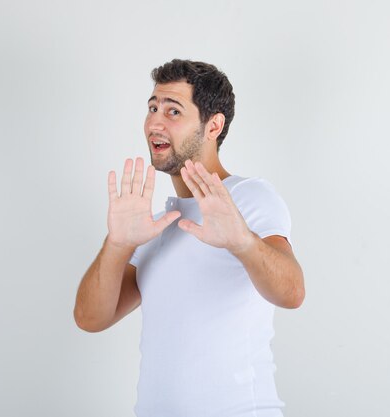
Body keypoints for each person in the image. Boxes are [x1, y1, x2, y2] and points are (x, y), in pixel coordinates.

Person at [74, 59, 305, 417]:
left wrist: (241, 241)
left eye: (173, 110)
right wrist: (117, 244)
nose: (155, 122)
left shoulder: (248, 198)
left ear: (213, 125)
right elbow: (90, 318)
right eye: (152, 108)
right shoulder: (154, 224)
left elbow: (292, 293)